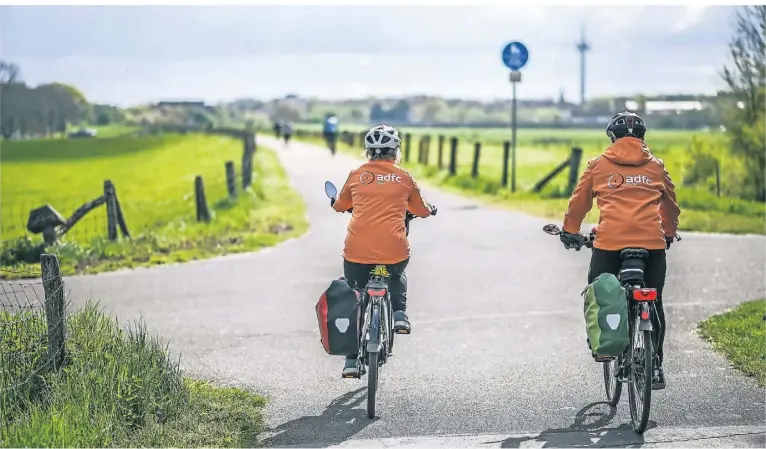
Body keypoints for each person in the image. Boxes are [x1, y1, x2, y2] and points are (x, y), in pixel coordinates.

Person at [559, 111, 681, 390]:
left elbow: (579, 204)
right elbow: (671, 207)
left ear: (612, 137)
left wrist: (570, 231)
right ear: (642, 137)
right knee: (655, 300)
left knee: (599, 291)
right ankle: (656, 364)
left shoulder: (598, 165)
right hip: (651, 244)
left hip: (610, 244)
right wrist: (669, 232)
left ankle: (607, 343)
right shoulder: (657, 166)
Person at [330, 124, 437, 378]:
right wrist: (430, 209)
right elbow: (421, 209)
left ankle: (350, 360)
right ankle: (399, 313)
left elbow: (340, 205)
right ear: (395, 150)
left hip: (357, 251)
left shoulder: (357, 174)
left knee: (354, 293)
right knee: (396, 270)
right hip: (393, 249)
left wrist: (335, 202)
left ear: (368, 152)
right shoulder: (404, 177)